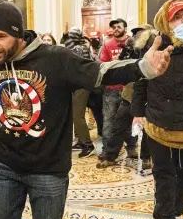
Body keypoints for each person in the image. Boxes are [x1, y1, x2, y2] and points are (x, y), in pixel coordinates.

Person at [0, 0, 172, 219]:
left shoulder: (56, 58)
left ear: (19, 35)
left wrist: (142, 68)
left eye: (0, 37)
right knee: (0, 217)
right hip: (4, 163)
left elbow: (100, 72)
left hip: (48, 169)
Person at [131, 0, 183, 219]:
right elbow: (141, 81)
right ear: (166, 23)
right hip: (159, 123)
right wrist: (138, 111)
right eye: (177, 18)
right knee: (164, 175)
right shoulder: (155, 46)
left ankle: (176, 210)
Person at [97, 24, 155, 169]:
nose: (138, 36)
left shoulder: (155, 47)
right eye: (135, 33)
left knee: (147, 129)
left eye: (141, 33)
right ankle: (110, 155)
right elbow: (123, 66)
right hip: (130, 93)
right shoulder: (132, 47)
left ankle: (146, 157)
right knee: (119, 126)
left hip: (150, 95)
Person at [99, 18, 137, 160]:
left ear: (125, 28)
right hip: (111, 89)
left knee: (128, 121)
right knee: (108, 121)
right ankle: (106, 149)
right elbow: (102, 65)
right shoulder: (107, 45)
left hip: (129, 89)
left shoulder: (133, 42)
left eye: (119, 26)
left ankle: (131, 146)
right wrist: (114, 62)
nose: (116, 29)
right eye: (113, 27)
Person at [66, 28, 96, 158]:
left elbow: (76, 68)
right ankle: (79, 140)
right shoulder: (82, 47)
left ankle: (87, 145)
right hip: (79, 85)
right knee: (75, 114)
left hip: (81, 85)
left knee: (78, 116)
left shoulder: (78, 49)